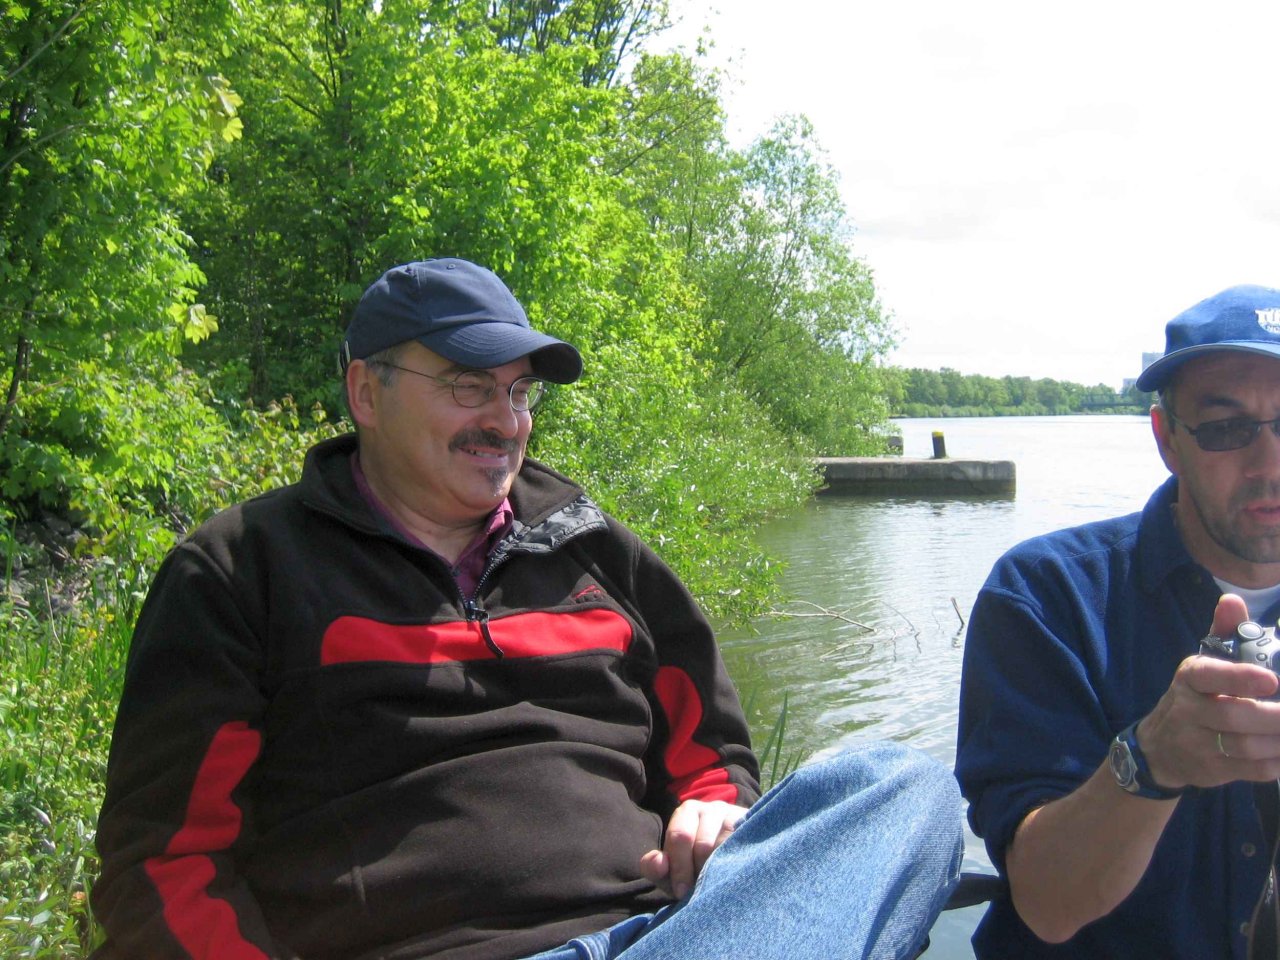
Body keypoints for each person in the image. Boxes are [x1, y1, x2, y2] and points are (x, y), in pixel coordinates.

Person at [92, 257, 962, 960]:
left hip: (665, 936)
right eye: (469, 386)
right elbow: (163, 866)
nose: (505, 422)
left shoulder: (599, 552)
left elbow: (711, 752)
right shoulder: (242, 570)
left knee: (900, 785)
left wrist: (712, 803)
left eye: (519, 393)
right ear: (365, 392)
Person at [956, 283, 1280, 958]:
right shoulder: (1046, 597)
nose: (1269, 463)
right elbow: (1047, 903)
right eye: (1226, 429)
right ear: (1167, 440)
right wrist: (1152, 761)